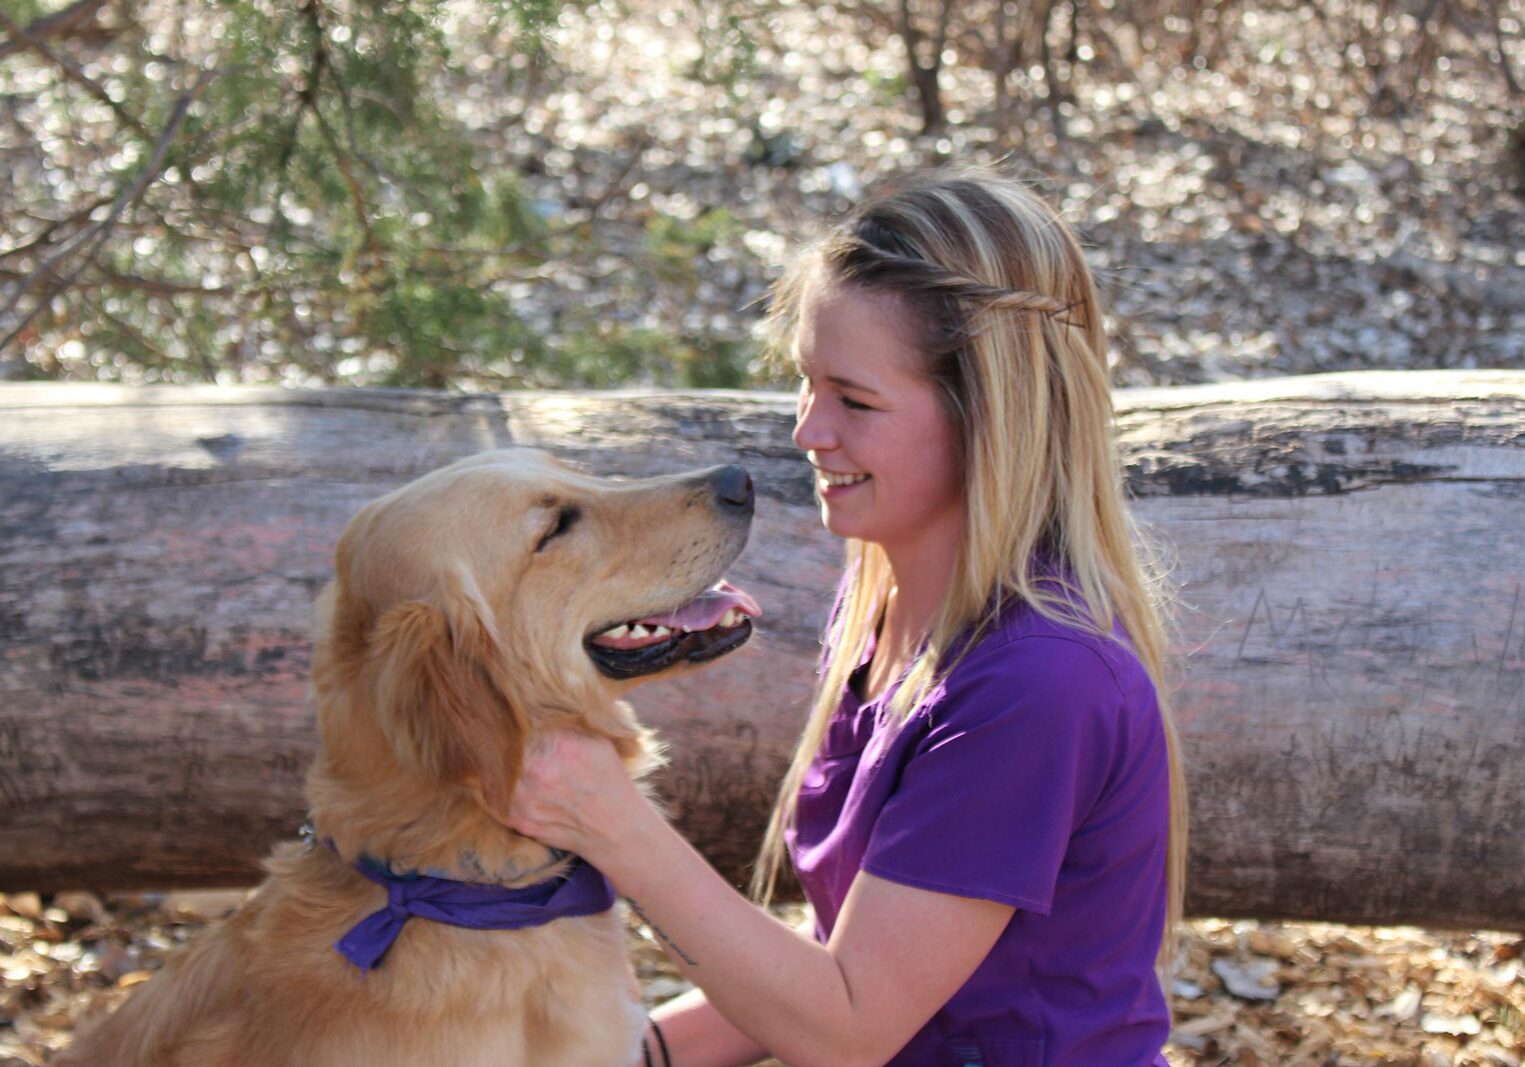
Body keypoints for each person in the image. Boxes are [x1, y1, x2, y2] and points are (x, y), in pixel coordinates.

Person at [503, 167, 1188, 1067]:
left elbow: (849, 1021)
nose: (807, 431)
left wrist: (612, 822)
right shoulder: (888, 604)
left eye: (855, 401)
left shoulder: (1039, 684)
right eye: (806, 382)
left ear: (991, 414)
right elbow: (837, 964)